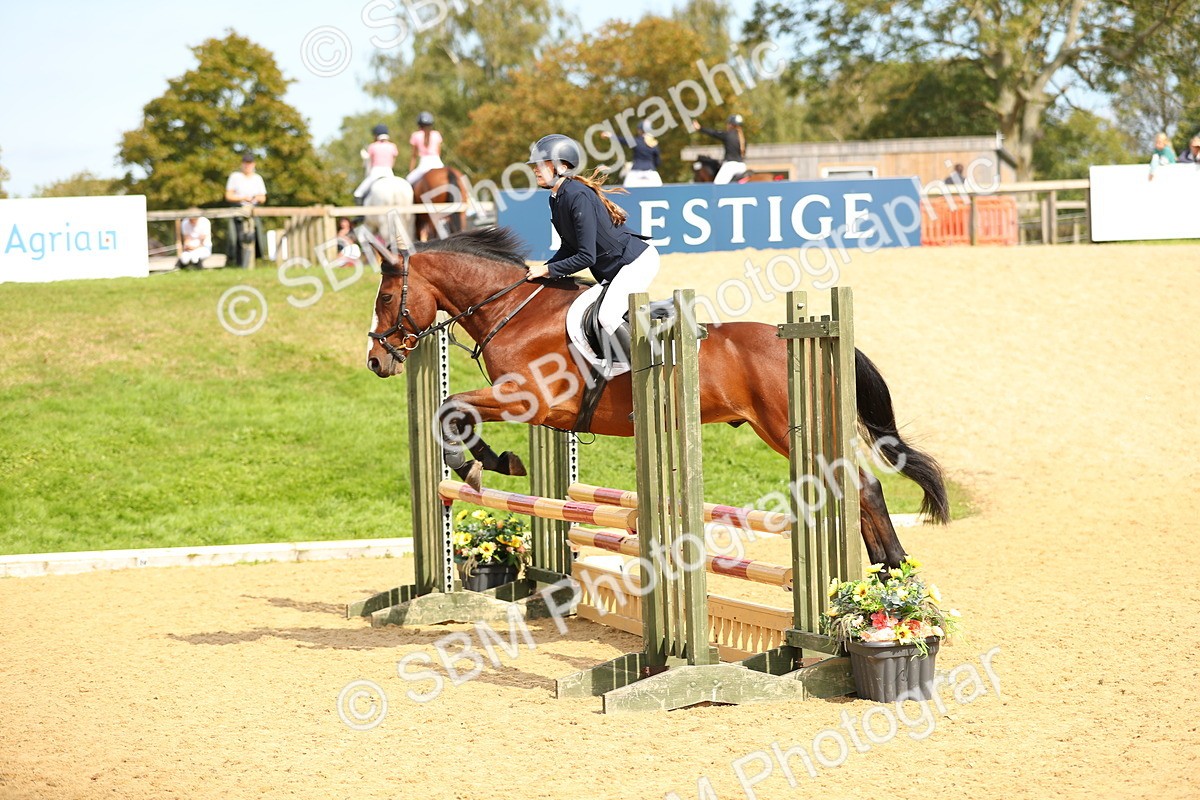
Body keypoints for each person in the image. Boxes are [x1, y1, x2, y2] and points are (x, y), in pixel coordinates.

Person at [523, 134, 659, 361]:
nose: (535, 169)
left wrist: (547, 271)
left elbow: (586, 256)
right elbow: (569, 247)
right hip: (614, 269)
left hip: (636, 262)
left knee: (607, 316)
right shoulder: (557, 197)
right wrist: (542, 269)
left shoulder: (577, 195)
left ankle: (652, 362)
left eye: (541, 164)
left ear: (561, 166)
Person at [224, 153, 267, 266]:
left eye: (250, 163)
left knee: (255, 238)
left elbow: (263, 197)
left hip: (253, 211)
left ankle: (254, 262)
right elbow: (228, 196)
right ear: (242, 164)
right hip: (238, 211)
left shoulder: (258, 178)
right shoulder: (235, 177)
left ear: (253, 164)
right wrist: (243, 198)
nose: (247, 166)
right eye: (245, 163)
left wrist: (256, 198)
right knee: (237, 239)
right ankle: (238, 263)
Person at [602, 122, 663, 187]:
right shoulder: (654, 144)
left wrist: (610, 135)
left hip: (635, 172)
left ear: (640, 130)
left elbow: (623, 140)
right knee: (661, 192)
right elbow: (657, 162)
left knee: (626, 191)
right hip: (651, 173)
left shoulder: (637, 141)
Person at [691, 114, 747, 184]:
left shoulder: (728, 135)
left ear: (731, 125)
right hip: (742, 166)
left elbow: (714, 133)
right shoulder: (743, 138)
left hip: (730, 166)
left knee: (717, 185)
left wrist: (700, 128)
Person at [354, 124, 399, 203]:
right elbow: (393, 160)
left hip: (375, 172)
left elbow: (368, 160)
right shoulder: (392, 146)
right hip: (389, 172)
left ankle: (360, 214)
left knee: (358, 193)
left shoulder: (372, 146)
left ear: (376, 135)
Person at [407, 111, 445, 186]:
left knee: (408, 181)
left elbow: (414, 156)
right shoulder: (436, 134)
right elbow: (439, 153)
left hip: (424, 165)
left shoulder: (415, 135)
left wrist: (411, 171)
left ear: (419, 125)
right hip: (438, 163)